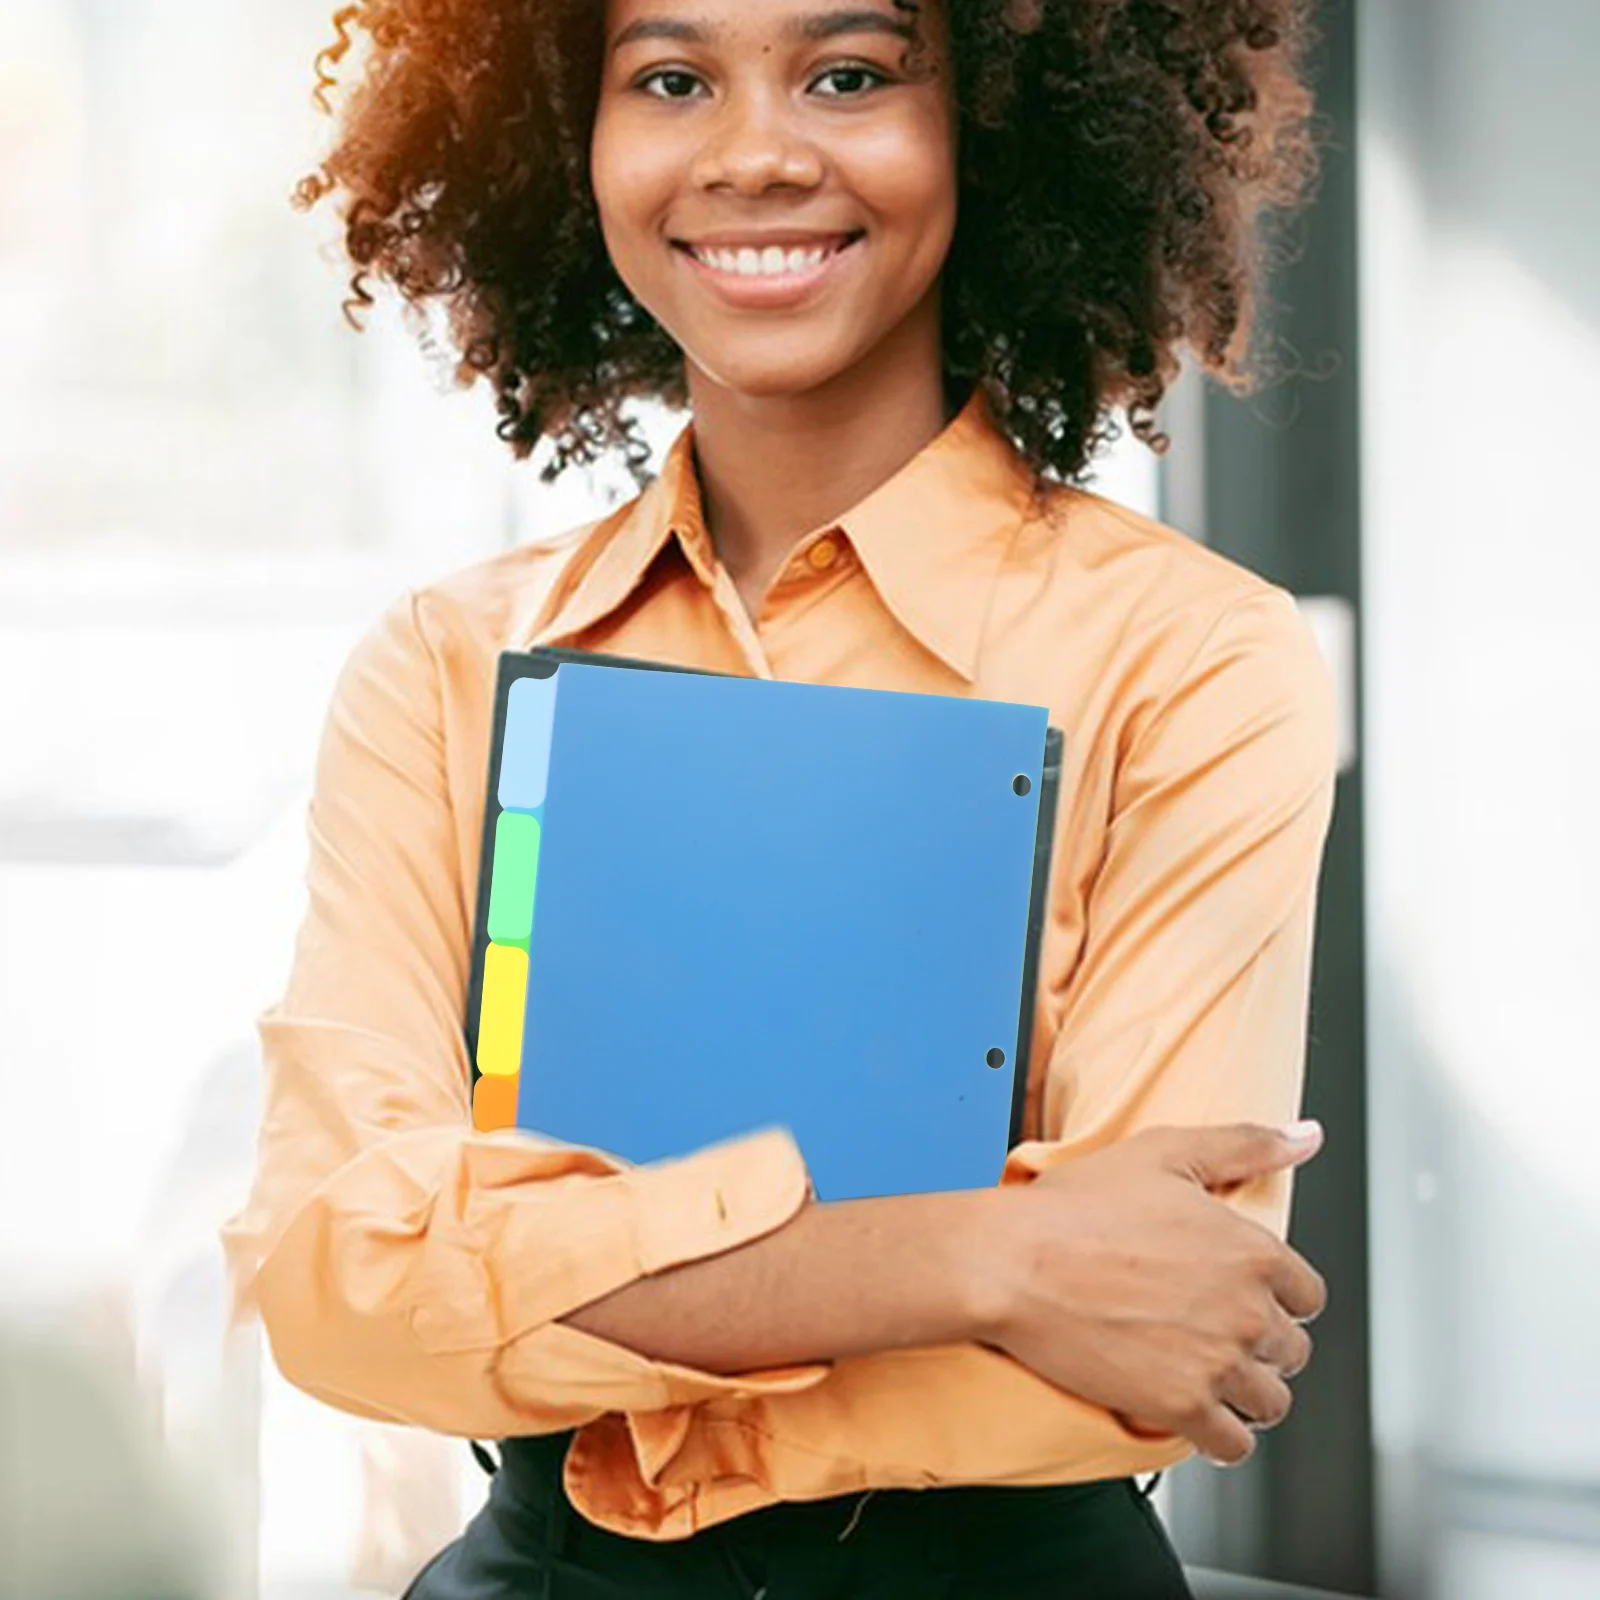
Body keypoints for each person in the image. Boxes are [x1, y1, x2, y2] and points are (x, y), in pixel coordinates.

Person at [222, 1, 1337, 1594]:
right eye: (670, 81)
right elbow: (335, 1277)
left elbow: (1146, 1333)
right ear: (567, 142)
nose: (753, 152)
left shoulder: (1191, 659)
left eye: (852, 75)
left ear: (998, 130)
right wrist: (988, 1253)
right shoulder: (446, 667)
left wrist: (527, 1282)